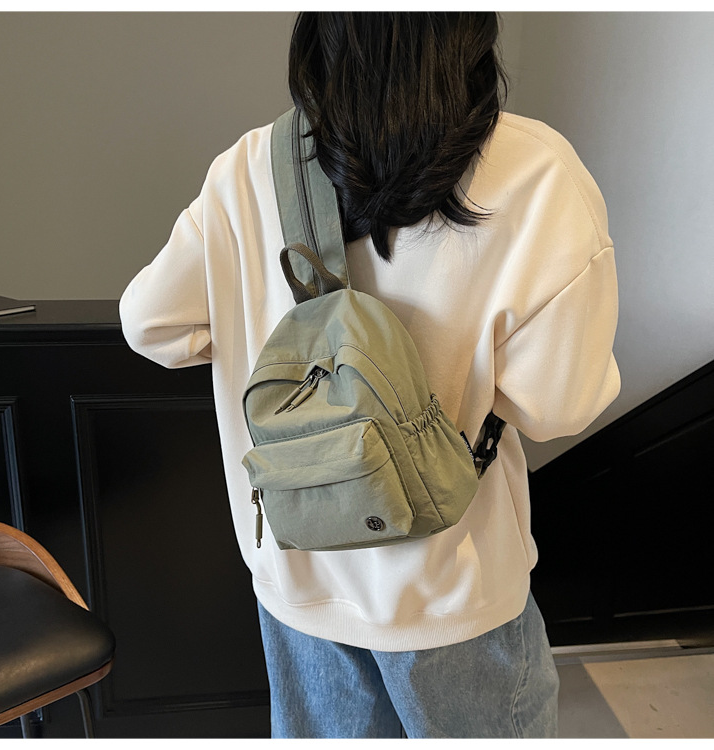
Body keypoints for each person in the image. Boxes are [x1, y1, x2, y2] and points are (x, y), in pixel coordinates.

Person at [119, 12, 620, 739]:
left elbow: (150, 324)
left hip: (298, 572)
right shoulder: (537, 172)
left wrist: (268, 339)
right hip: (453, 585)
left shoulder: (250, 166)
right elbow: (557, 407)